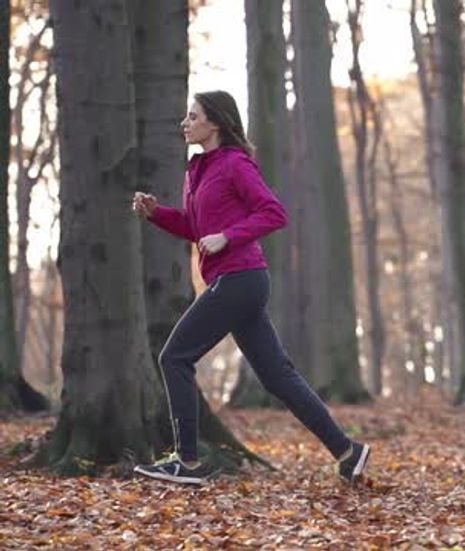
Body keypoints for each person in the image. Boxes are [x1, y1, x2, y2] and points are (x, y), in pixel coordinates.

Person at [131, 90, 370, 486]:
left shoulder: (235, 164)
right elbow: (194, 228)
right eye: (186, 117)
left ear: (216, 124)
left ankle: (186, 463)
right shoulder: (198, 171)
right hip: (237, 282)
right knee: (277, 376)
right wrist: (156, 214)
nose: (185, 123)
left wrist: (228, 236)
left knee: (174, 357)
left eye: (193, 117)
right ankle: (348, 451)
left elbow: (273, 213)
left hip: (240, 278)